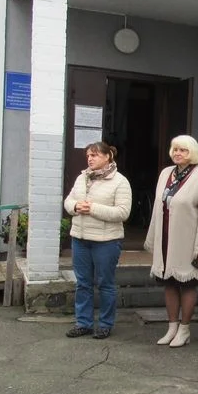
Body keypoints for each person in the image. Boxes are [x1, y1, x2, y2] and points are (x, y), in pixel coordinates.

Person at [144, 135, 198, 348]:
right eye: (175, 149)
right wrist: (152, 238)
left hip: (188, 241)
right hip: (166, 240)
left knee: (188, 284)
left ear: (192, 153)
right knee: (169, 284)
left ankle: (184, 329)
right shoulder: (166, 173)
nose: (177, 153)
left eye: (183, 150)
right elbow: (158, 208)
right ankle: (172, 327)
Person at [63, 142, 133, 340]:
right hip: (80, 239)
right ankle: (83, 323)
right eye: (88, 156)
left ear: (107, 157)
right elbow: (68, 201)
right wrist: (76, 206)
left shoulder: (120, 182)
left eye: (94, 155)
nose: (90, 159)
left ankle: (105, 324)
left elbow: (123, 212)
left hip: (106, 242)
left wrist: (92, 208)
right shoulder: (82, 178)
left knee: (105, 284)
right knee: (83, 284)